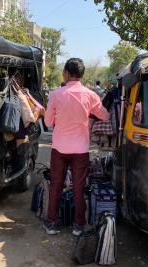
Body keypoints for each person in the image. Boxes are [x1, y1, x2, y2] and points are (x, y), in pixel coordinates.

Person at [43, 58, 110, 236]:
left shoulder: (56, 94)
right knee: (79, 187)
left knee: (56, 185)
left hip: (59, 148)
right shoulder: (90, 95)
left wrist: (58, 117)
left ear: (66, 73)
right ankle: (78, 225)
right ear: (81, 75)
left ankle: (51, 223)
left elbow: (48, 122)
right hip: (80, 149)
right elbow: (104, 115)